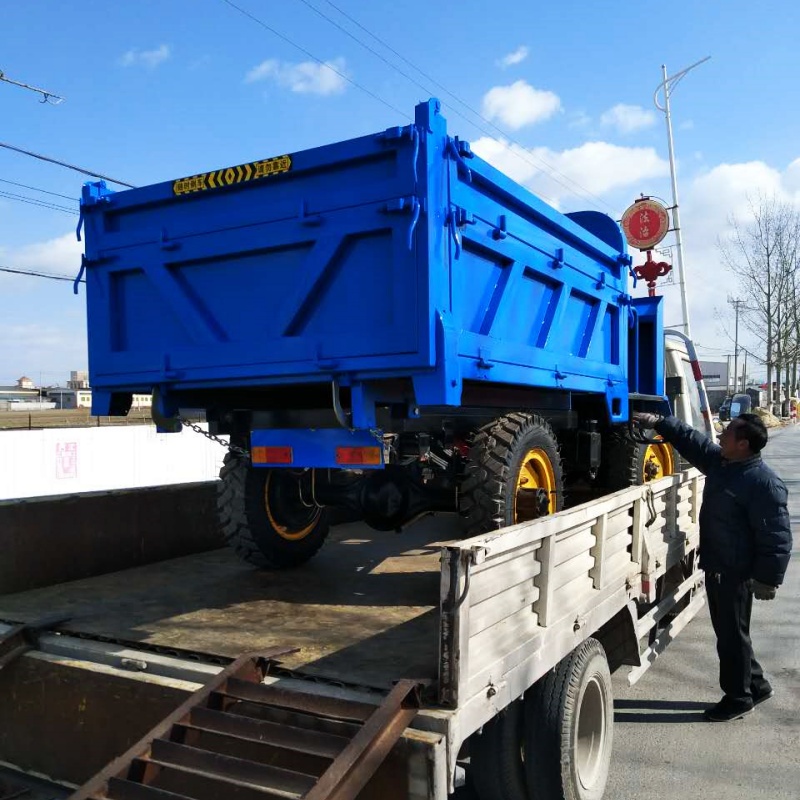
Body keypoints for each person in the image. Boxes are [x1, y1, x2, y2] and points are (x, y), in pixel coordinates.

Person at [632, 411, 792, 722]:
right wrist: (659, 422)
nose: (721, 436)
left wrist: (768, 579)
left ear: (743, 444)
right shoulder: (724, 465)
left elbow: (776, 535)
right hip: (719, 565)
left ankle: (738, 697)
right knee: (732, 633)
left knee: (731, 637)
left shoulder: (762, 484)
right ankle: (756, 685)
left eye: (728, 432)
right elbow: (694, 443)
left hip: (737, 573)